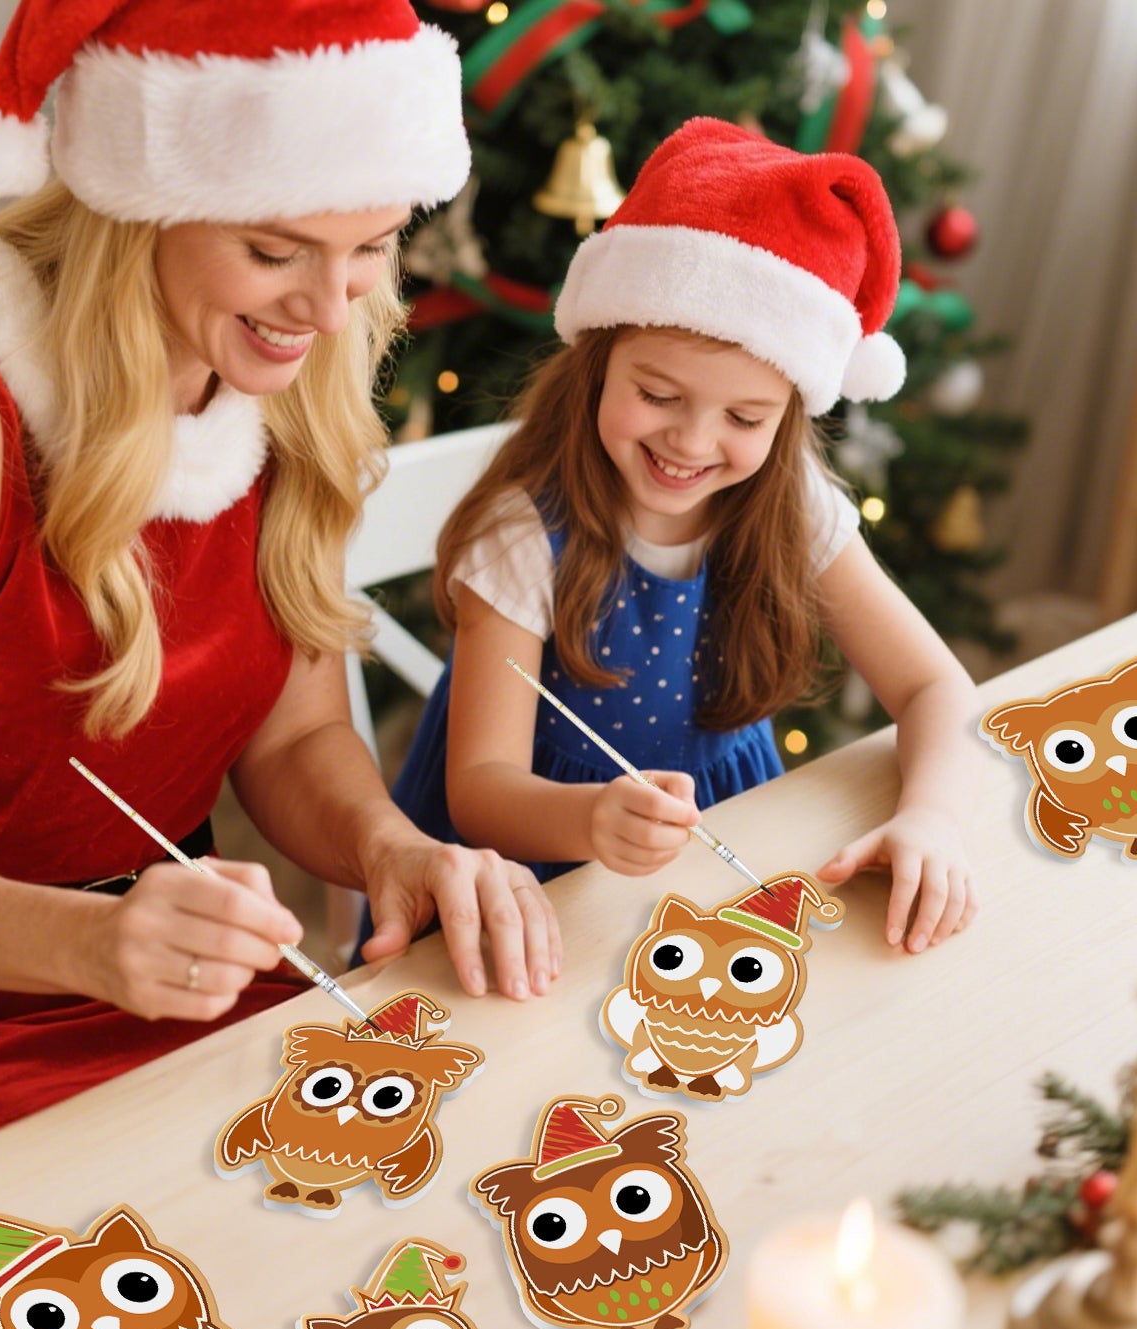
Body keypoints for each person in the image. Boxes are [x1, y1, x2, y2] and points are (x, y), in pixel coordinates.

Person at [0, 0, 559, 1230]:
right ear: (143, 196)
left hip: (163, 988)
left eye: (369, 248)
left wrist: (388, 845)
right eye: (277, 248)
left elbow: (293, 744)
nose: (333, 308)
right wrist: (93, 946)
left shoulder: (285, 381)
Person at [390, 119, 979, 954]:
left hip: (724, 865)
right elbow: (479, 789)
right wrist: (593, 818)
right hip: (535, 891)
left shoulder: (791, 505)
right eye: (659, 395)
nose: (693, 443)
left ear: (789, 416)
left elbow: (936, 689)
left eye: (744, 417)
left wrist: (932, 819)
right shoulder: (524, 533)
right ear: (599, 361)